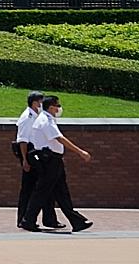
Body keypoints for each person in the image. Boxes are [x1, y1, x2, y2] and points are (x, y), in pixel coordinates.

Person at [20, 95, 94, 233]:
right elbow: (59, 138)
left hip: (53, 160)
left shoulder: (47, 119)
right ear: (51, 107)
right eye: (57, 105)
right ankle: (28, 220)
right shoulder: (45, 121)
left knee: (61, 192)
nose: (59, 108)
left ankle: (77, 221)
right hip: (49, 160)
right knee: (42, 191)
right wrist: (80, 152)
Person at [13, 91, 60, 229]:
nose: (42, 104)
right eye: (41, 101)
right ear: (34, 103)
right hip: (31, 156)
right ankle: (24, 219)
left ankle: (48, 219)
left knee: (44, 187)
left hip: (36, 155)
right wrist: (25, 160)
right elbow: (22, 141)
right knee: (30, 188)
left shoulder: (36, 116)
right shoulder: (27, 118)